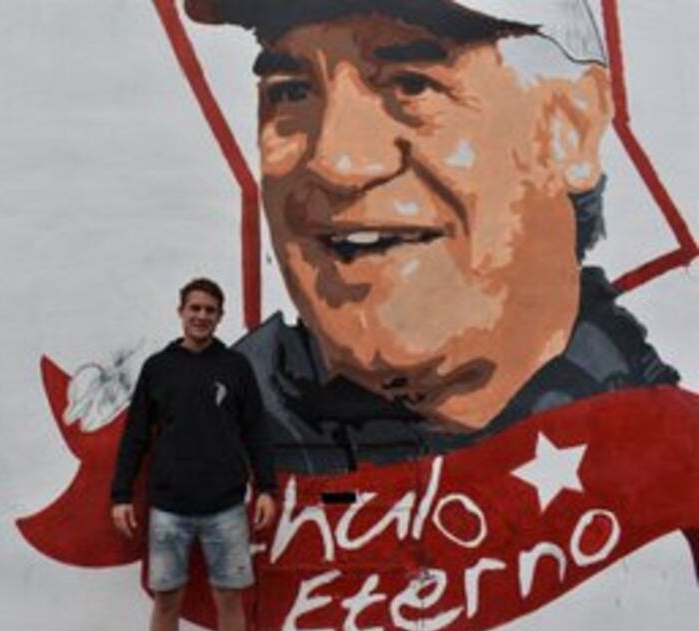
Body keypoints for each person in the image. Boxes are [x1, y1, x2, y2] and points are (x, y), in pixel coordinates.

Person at [184, 0, 680, 474]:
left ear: (568, 130)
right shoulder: (199, 441)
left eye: (412, 84)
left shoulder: (673, 475)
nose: (335, 162)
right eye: (291, 92)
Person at [110, 277, 278, 631]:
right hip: (169, 508)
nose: (201, 316)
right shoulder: (158, 368)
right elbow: (135, 436)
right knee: (167, 601)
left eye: (210, 311)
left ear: (220, 317)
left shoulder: (236, 367)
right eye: (195, 309)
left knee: (229, 600)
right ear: (181, 313)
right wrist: (121, 495)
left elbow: (256, 431)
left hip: (227, 507)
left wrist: (267, 488)